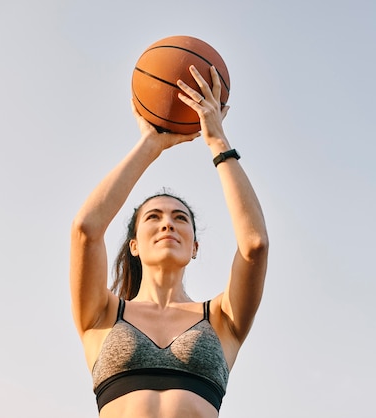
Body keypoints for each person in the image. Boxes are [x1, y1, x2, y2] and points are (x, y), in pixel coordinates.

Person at [70, 64, 269, 418]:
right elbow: (86, 229)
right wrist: (151, 143)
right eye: (153, 217)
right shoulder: (102, 313)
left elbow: (254, 245)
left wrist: (217, 141)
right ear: (134, 244)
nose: (168, 225)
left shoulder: (221, 317)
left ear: (194, 247)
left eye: (181, 219)